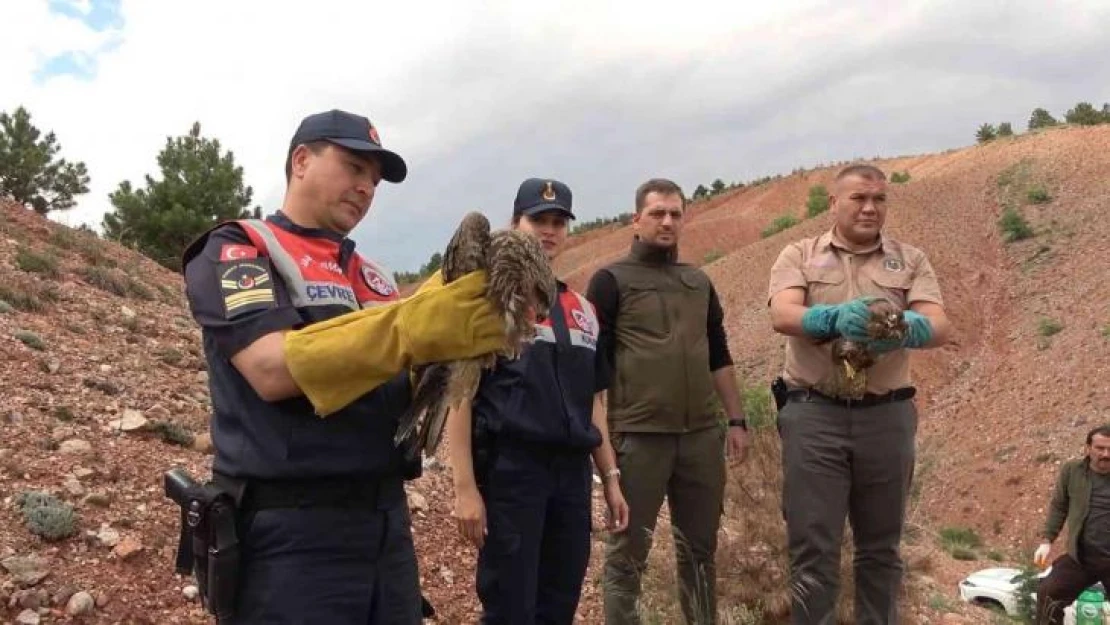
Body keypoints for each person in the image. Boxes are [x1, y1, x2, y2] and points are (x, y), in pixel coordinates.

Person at [179, 108, 505, 624]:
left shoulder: (372, 277)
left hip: (385, 525)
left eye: (374, 180)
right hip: (290, 534)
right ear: (302, 161)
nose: (365, 188)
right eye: (354, 167)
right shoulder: (242, 247)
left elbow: (403, 385)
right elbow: (270, 368)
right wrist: (409, 329)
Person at [766, 163, 952, 624]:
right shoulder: (799, 254)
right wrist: (827, 320)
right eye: (859, 198)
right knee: (813, 547)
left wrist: (907, 327)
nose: (870, 207)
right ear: (834, 203)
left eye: (880, 199)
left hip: (885, 417)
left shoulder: (910, 260)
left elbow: (939, 325)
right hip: (815, 414)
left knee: (882, 549)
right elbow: (783, 315)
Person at [447, 177, 630, 624]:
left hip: (570, 475)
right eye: (538, 220)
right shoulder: (487, 299)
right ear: (516, 223)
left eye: (558, 222)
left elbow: (594, 404)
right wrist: (465, 487)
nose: (549, 231)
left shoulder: (582, 309)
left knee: (558, 603)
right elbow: (460, 394)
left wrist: (610, 477)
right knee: (510, 607)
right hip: (513, 472)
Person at [587, 177, 750, 625]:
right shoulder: (609, 281)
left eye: (675, 213)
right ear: (636, 219)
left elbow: (718, 353)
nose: (667, 221)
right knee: (627, 559)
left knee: (700, 553)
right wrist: (600, 448)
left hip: (701, 436)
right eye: (657, 212)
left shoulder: (698, 281)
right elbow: (591, 373)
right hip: (639, 439)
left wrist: (736, 420)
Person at [1033, 424, 1110, 624]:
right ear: (1087, 448)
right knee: (1048, 592)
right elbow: (1059, 506)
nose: (1106, 454)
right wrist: (1047, 540)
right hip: (1081, 556)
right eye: (1100, 448)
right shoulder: (1072, 471)